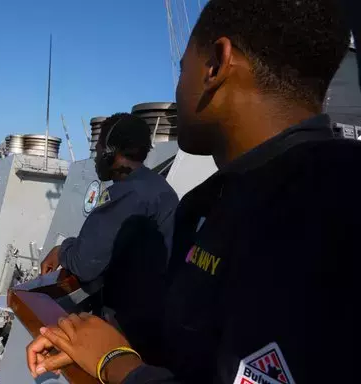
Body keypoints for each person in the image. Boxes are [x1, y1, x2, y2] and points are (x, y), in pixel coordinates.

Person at [27, 0, 360, 383]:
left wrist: (115, 362)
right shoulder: (212, 200)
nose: (177, 85)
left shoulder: (321, 208)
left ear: (216, 65)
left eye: (183, 68)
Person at [40, 112, 178, 364]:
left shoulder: (127, 197)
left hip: (131, 331)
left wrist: (61, 251)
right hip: (157, 325)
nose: (95, 157)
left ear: (110, 151)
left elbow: (85, 262)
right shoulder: (156, 187)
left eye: (99, 148)